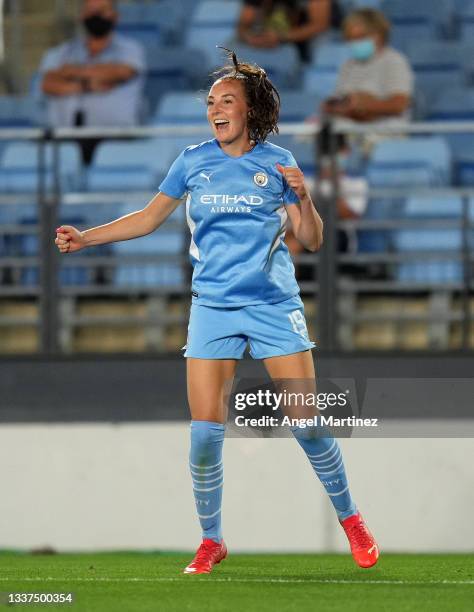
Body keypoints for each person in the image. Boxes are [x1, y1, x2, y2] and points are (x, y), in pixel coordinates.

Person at [54, 50, 379, 575]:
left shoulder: (279, 165)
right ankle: (212, 541)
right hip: (213, 308)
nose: (216, 109)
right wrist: (85, 238)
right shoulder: (192, 161)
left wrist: (306, 198)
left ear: (251, 110)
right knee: (205, 433)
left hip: (273, 305)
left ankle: (352, 520)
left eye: (227, 100)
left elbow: (312, 241)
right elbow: (148, 218)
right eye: (211, 102)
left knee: (307, 424)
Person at [39, 0, 146, 164]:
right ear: (81, 16)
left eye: (102, 10)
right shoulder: (61, 53)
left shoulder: (130, 49)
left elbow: (120, 72)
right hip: (64, 138)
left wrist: (69, 72)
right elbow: (48, 83)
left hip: (115, 138)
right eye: (91, 11)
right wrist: (87, 85)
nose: (96, 16)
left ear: (115, 16)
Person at [322, 8, 414, 123]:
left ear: (379, 35)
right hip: (350, 130)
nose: (354, 44)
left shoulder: (395, 61)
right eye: (350, 39)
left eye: (360, 38)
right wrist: (334, 106)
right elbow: (341, 100)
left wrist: (364, 104)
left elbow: (400, 105)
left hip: (384, 132)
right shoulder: (348, 65)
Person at [238, 0, 332, 63]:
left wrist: (281, 37)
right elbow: (243, 25)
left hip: (302, 42)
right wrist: (250, 38)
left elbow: (320, 25)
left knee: (322, 41)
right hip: (268, 38)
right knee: (235, 45)